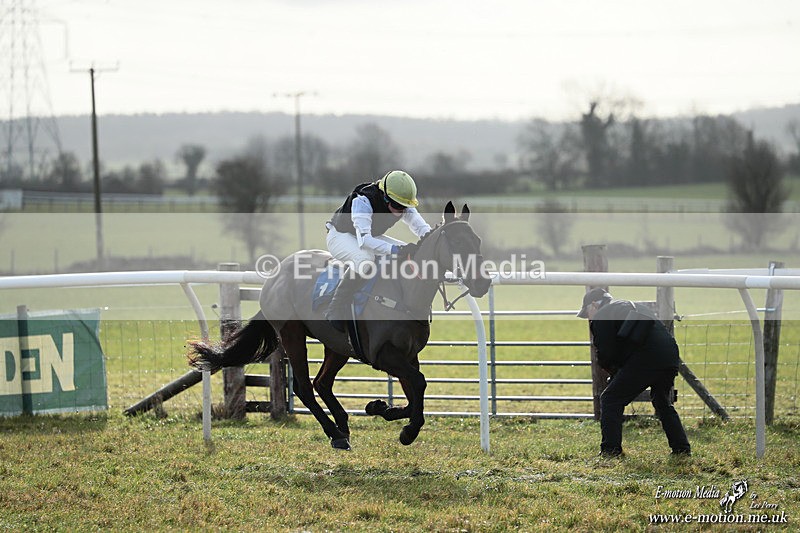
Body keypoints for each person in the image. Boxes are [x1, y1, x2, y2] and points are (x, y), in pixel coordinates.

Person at [577, 287, 691, 457]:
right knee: (662, 402)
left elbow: (606, 354)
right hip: (670, 356)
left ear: (594, 305)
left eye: (587, 313)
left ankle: (610, 451)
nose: (589, 318)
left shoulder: (603, 315)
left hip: (647, 359)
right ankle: (681, 448)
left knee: (610, 399)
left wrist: (614, 373)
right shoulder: (630, 306)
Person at [324, 170, 432, 331]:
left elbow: (423, 229)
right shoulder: (363, 201)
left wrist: (435, 239)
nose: (401, 211)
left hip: (365, 236)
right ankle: (335, 307)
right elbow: (365, 241)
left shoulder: (402, 203)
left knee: (408, 253)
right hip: (340, 235)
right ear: (385, 197)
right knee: (365, 260)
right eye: (397, 206)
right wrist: (396, 250)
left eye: (405, 207)